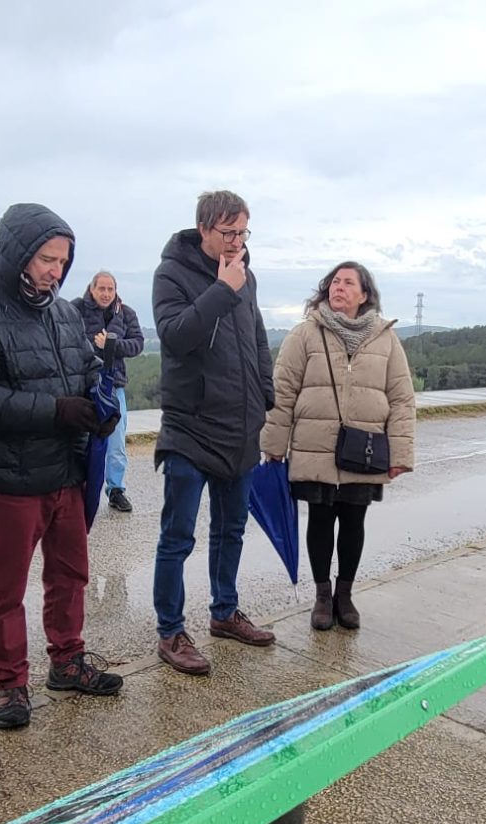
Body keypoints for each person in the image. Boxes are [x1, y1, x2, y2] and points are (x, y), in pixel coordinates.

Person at [0, 203, 122, 729]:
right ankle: (10, 685)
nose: (56, 271)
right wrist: (55, 410)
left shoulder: (65, 313)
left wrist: (99, 403)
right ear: (16, 255)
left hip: (67, 471)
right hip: (12, 479)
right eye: (47, 259)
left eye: (63, 261)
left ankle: (67, 661)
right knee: (7, 588)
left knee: (70, 575)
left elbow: (88, 369)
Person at [151, 190, 276, 676]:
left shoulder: (247, 275)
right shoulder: (171, 274)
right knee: (178, 536)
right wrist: (222, 289)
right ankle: (171, 631)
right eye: (228, 233)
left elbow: (257, 339)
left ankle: (224, 613)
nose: (237, 241)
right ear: (203, 229)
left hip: (240, 425)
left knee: (231, 530)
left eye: (243, 232)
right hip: (190, 428)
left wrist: (264, 397)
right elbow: (177, 336)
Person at [260, 262, 415, 630]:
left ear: (364, 295)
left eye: (348, 282)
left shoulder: (385, 338)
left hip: (364, 446)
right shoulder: (304, 334)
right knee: (320, 518)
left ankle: (345, 595)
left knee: (353, 521)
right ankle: (322, 595)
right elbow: (281, 393)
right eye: (334, 281)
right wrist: (274, 443)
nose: (338, 287)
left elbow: (402, 397)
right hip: (315, 445)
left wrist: (401, 454)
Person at [76, 270, 145, 512]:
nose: (106, 293)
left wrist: (111, 345)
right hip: (84, 385)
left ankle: (116, 490)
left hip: (114, 385)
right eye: (101, 288)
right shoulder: (76, 310)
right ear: (91, 289)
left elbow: (137, 343)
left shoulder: (126, 314)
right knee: (80, 440)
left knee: (116, 443)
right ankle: (78, 490)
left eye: (110, 289)